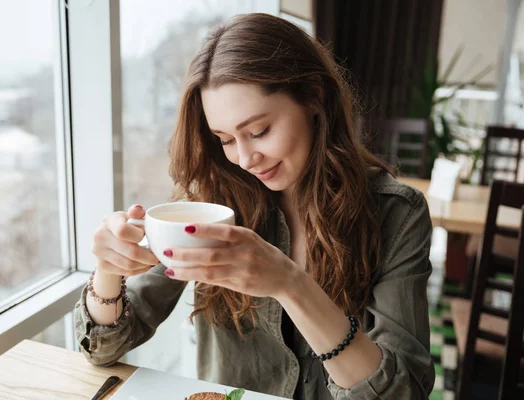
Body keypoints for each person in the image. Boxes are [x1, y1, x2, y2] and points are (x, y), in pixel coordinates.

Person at [74, 13, 434, 400]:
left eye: (259, 131)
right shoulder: (210, 204)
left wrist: (291, 285)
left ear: (315, 96)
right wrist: (109, 270)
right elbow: (107, 347)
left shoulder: (397, 214)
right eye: (225, 139)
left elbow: (404, 391)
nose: (245, 158)